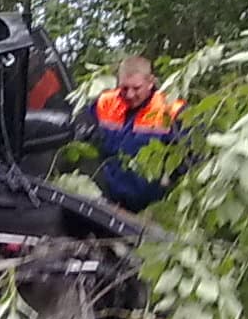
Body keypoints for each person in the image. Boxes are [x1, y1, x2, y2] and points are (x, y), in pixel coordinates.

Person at [78, 55, 187, 212]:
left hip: (149, 208)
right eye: (124, 88)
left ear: (150, 82)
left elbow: (190, 158)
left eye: (136, 88)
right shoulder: (105, 103)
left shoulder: (170, 109)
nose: (129, 95)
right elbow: (80, 133)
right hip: (105, 203)